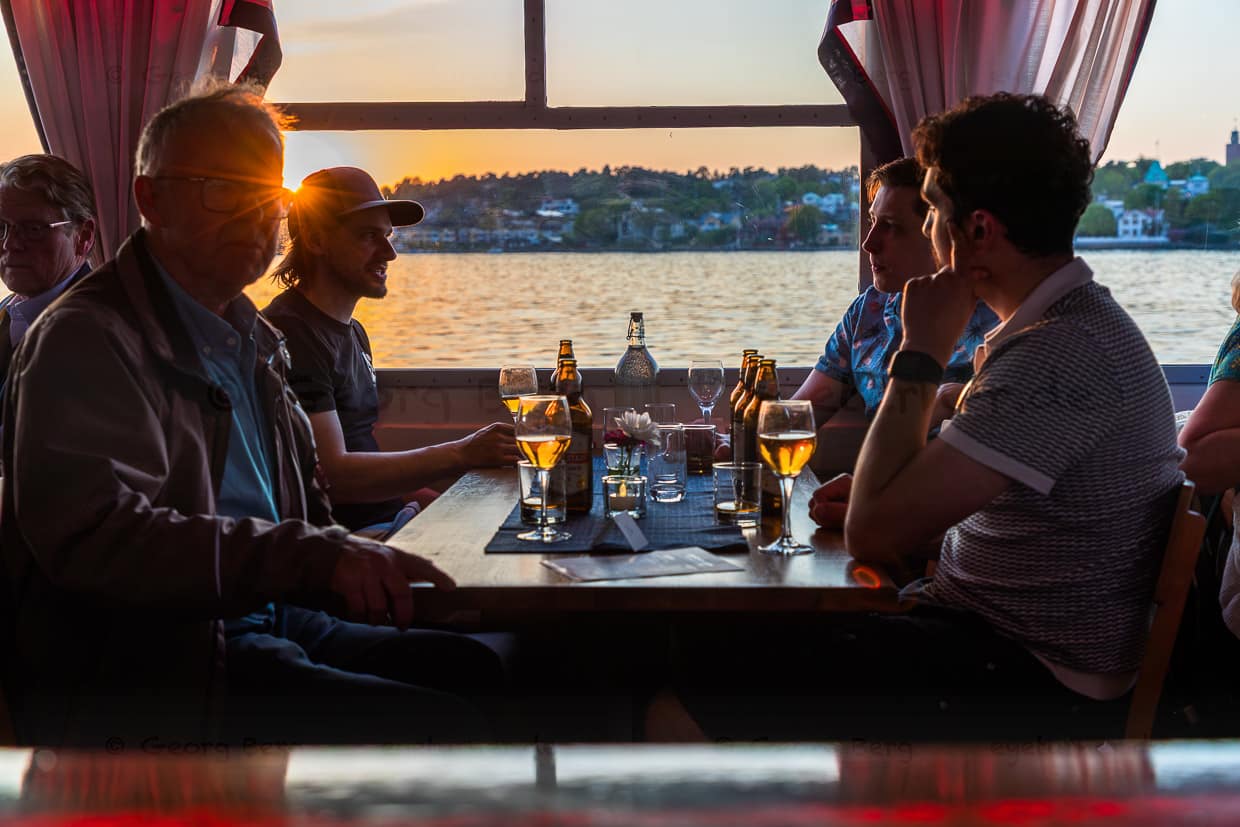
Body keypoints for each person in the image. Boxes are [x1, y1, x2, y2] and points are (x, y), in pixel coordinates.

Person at [0, 82, 501, 747]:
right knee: (448, 725)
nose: (254, 215)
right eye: (222, 189)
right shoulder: (88, 337)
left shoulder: (253, 339)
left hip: (276, 617)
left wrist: (362, 553)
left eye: (268, 194)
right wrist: (312, 557)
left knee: (484, 668)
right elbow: (99, 539)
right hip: (167, 662)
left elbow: (306, 516)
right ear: (151, 200)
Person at [676, 93, 1184, 742]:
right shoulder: (1063, 329)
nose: (931, 227)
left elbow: (870, 533)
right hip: (989, 636)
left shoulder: (1058, 354)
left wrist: (921, 353)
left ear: (978, 231)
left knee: (690, 677)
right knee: (716, 641)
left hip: (1031, 680)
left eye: (935, 209)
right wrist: (899, 487)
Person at [262, 166, 519, 538]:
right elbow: (334, 478)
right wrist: (462, 453)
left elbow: (361, 450)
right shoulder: (290, 333)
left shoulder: (354, 333)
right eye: (368, 236)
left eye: (387, 236)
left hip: (388, 515)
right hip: (343, 538)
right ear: (317, 241)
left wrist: (437, 503)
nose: (390, 253)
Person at [792, 157, 997, 428]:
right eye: (873, 221)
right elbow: (797, 421)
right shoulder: (868, 312)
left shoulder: (998, 324)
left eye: (892, 227)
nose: (869, 243)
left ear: (940, 232)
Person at [0, 154, 97, 389]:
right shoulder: (8, 309)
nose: (9, 244)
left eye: (33, 229)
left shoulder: (102, 330)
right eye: (0, 228)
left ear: (83, 236)